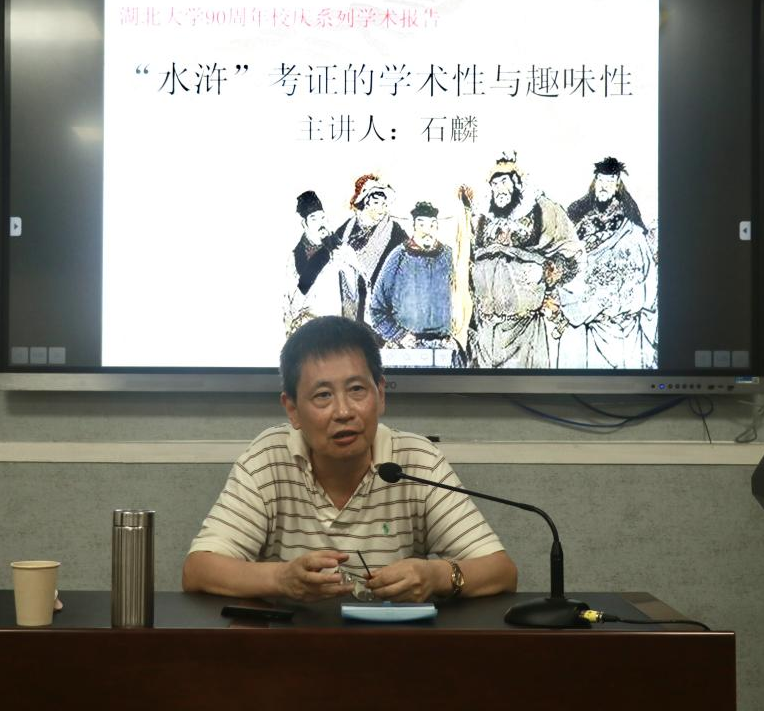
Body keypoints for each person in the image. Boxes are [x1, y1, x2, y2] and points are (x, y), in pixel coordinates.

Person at [182, 316, 517, 602]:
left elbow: (501, 571)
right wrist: (281, 579)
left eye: (357, 389)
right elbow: (198, 570)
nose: (343, 412)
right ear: (292, 409)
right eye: (323, 395)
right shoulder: (268, 457)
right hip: (290, 646)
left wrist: (436, 576)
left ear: (380, 394)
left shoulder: (416, 461)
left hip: (392, 646)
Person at [456, 153, 583, 368]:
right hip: (487, 329)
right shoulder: (485, 217)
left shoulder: (542, 209)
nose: (499, 189)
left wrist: (548, 275)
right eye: (495, 184)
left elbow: (569, 249)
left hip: (525, 327)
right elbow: (471, 257)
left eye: (504, 181)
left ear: (517, 182)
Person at [557, 157, 657, 368]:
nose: (604, 186)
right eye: (600, 180)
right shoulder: (578, 220)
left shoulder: (631, 226)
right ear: (594, 182)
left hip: (626, 323)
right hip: (592, 322)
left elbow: (646, 273)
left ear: (618, 184)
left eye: (609, 181)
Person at [369, 201, 461, 364]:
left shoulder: (449, 256)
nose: (427, 231)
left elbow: (466, 302)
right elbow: (377, 310)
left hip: (444, 352)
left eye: (432, 225)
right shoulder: (398, 257)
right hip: (408, 352)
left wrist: (456, 337)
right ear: (413, 226)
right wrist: (399, 335)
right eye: (421, 225)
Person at [331, 174, 409, 324]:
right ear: (366, 202)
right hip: (349, 302)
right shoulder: (347, 229)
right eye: (376, 202)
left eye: (384, 203)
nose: (381, 208)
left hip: (380, 305)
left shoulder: (395, 231)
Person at [282, 190, 343, 335]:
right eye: (314, 218)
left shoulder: (340, 250)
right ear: (305, 223)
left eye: (322, 217)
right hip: (307, 328)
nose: (321, 223)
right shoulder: (295, 257)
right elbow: (289, 301)